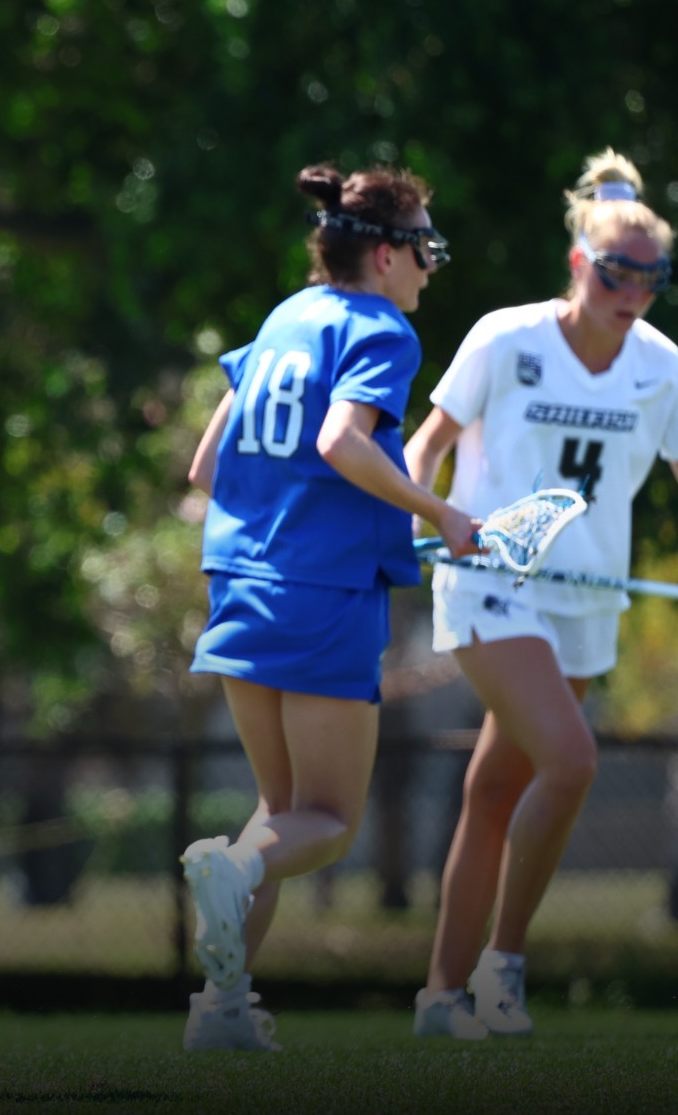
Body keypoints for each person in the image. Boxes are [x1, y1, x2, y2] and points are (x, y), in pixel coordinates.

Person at [403, 149, 678, 1040]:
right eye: (618, 272)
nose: (634, 290)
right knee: (571, 762)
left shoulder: (660, 364)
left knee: (496, 791)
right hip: (492, 580)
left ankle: (439, 999)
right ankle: (505, 972)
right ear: (581, 263)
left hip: (587, 598)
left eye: (653, 277)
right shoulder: (507, 338)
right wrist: (412, 507)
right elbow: (430, 441)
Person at [180, 164, 479, 1051]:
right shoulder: (380, 328)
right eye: (426, 248)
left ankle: (222, 1011)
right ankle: (229, 871)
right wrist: (441, 513)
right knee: (331, 822)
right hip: (321, 594)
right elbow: (341, 441)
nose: (431, 266)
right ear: (386, 255)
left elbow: (205, 467)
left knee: (283, 810)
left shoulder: (284, 318)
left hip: (238, 582)